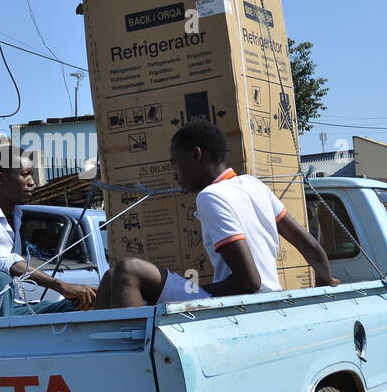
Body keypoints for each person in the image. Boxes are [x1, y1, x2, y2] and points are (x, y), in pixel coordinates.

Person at [94, 121, 337, 308]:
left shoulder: (210, 197)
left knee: (128, 269)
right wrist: (325, 285)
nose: (175, 174)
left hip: (241, 305)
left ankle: (133, 355)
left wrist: (188, 297)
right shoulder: (253, 184)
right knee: (111, 277)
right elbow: (311, 248)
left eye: (176, 163)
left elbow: (249, 282)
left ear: (196, 155)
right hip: (268, 299)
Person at [0, 147, 96, 319]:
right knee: (0, 279)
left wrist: (83, 294)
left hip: (12, 307)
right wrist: (61, 285)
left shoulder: (16, 214)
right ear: (0, 178)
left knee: (86, 302)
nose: (33, 182)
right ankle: (3, 342)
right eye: (26, 175)